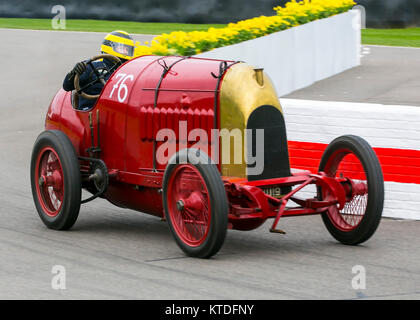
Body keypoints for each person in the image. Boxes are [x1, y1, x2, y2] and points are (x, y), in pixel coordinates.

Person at [63, 30, 135, 110]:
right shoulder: (91, 66)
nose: (125, 52)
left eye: (127, 49)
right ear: (109, 46)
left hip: (115, 111)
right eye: (122, 48)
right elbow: (67, 86)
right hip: (90, 111)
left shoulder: (129, 71)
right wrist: (74, 73)